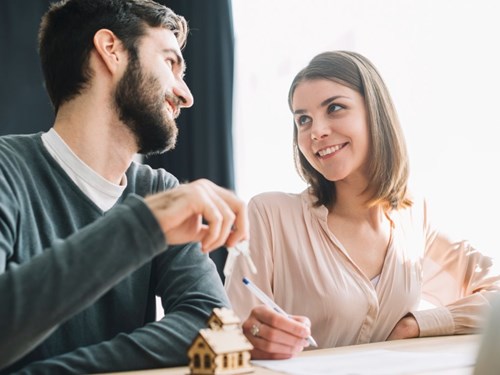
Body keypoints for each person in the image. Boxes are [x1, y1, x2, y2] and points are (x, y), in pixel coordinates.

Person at [0, 0, 248, 373]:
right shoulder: (6, 171)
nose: (186, 95)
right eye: (170, 62)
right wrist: (146, 224)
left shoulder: (159, 190)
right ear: (111, 50)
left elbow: (206, 321)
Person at [225, 50, 500, 359]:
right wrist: (251, 338)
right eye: (303, 119)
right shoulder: (269, 215)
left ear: (375, 112)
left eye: (335, 108)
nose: (316, 132)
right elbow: (232, 334)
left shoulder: (414, 219)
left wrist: (418, 324)